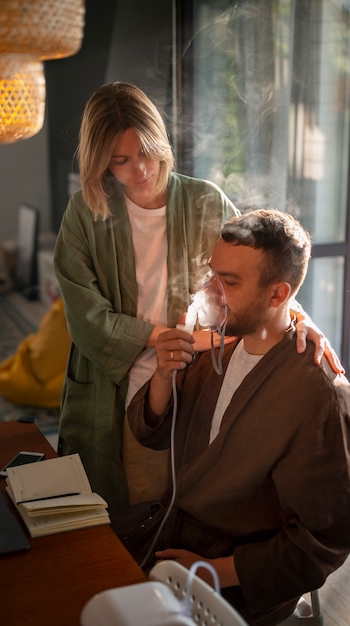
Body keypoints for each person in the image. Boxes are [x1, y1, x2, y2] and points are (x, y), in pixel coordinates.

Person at [54, 81, 342, 510]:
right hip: (116, 384)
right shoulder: (84, 214)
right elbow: (85, 318)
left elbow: (260, 273)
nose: (141, 170)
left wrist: (303, 321)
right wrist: (161, 338)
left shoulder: (204, 200)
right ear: (101, 162)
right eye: (121, 161)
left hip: (193, 377)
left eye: (148, 153)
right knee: (121, 506)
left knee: (188, 498)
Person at [126, 209, 350, 625]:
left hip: (233, 583)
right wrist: (162, 376)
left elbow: (323, 540)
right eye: (213, 275)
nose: (211, 291)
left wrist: (216, 571)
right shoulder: (218, 346)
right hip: (167, 537)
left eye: (228, 282)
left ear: (278, 295)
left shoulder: (316, 393)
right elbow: (152, 434)